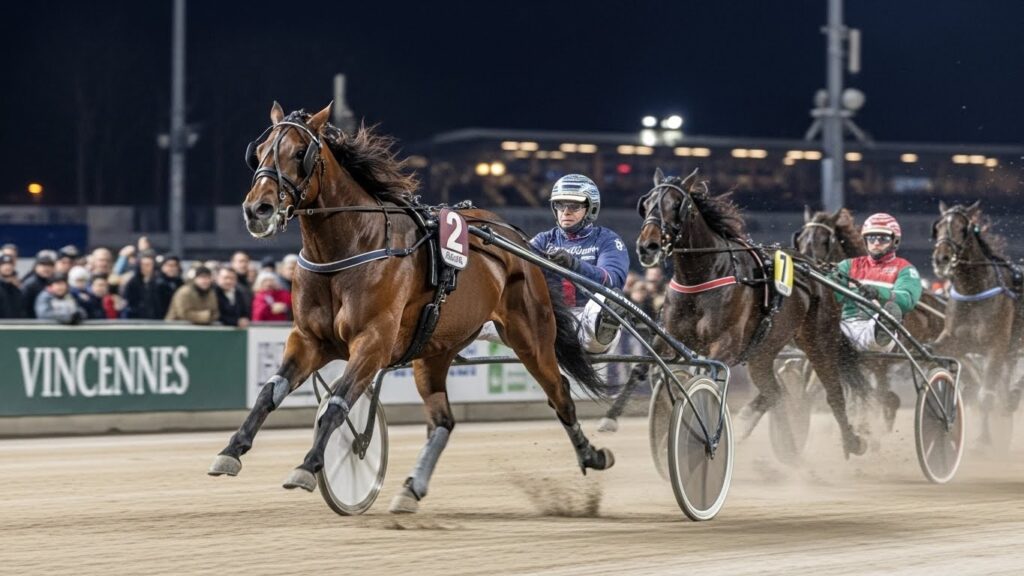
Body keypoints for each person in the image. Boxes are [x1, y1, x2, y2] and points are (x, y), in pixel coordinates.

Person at [480, 174, 630, 354]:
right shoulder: (543, 240)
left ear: (591, 209)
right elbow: (515, 267)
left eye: (574, 206)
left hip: (587, 320)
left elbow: (611, 280)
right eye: (560, 204)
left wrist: (573, 264)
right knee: (480, 315)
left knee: (607, 301)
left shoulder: (607, 240)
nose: (566, 211)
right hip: (549, 322)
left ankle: (599, 334)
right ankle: (445, 338)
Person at [832, 213, 922, 352]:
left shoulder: (905, 269)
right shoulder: (847, 265)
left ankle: (881, 330)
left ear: (895, 241)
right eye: (871, 238)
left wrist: (878, 292)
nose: (875, 243)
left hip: (877, 325)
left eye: (883, 239)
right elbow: (830, 293)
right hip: (844, 325)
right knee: (824, 331)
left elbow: (907, 300)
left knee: (881, 321)